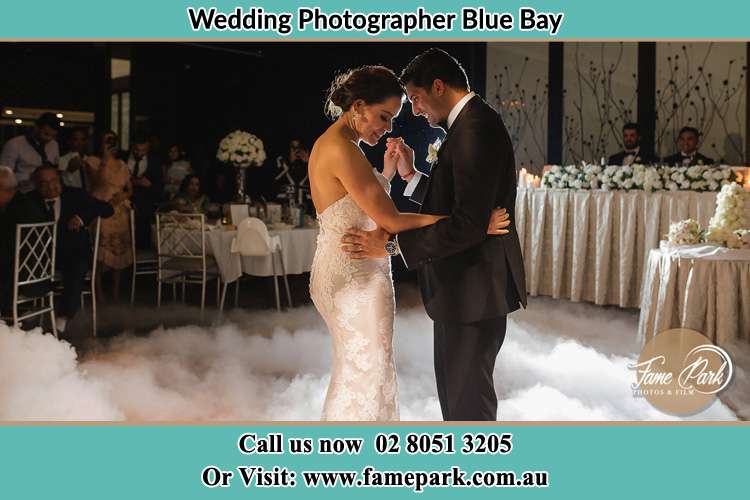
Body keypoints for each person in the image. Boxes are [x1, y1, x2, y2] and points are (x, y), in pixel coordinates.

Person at [308, 65, 511, 421]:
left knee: (359, 370)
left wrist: (392, 175)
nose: (387, 128)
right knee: (366, 375)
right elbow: (391, 221)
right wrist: (472, 223)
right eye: (383, 117)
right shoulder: (342, 150)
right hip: (355, 277)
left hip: (344, 268)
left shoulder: (336, 144)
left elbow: (355, 203)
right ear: (357, 106)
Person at [27, 164, 114, 335]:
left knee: (77, 266)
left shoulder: (76, 195)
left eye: (54, 181)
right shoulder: (29, 200)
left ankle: (62, 319)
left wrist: (82, 218)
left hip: (73, 253)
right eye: (43, 183)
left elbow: (107, 209)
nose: (50, 187)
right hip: (41, 256)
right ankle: (24, 311)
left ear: (60, 179)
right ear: (37, 185)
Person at [88, 130, 133, 302]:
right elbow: (96, 182)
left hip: (120, 211)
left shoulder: (122, 164)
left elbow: (129, 189)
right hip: (101, 208)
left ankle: (115, 291)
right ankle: (98, 290)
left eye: (112, 140)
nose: (109, 143)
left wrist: (124, 195)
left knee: (119, 250)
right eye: (106, 140)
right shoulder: (92, 161)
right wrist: (105, 160)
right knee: (101, 250)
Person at [0, 166, 48, 315]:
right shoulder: (21, 202)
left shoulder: (20, 209)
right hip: (23, 268)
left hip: (22, 273)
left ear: (8, 190)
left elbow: (8, 247)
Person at [0, 112, 61, 193]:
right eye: (46, 134)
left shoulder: (54, 145)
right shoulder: (14, 144)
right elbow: (4, 177)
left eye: (52, 136)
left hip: (46, 194)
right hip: (22, 194)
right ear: (36, 127)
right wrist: (30, 176)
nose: (48, 139)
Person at [127, 134, 164, 249]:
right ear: (132, 146)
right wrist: (135, 182)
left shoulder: (155, 162)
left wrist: (149, 186)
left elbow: (159, 189)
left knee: (143, 243)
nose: (139, 153)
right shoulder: (122, 158)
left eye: (143, 150)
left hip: (144, 210)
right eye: (137, 150)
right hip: (123, 205)